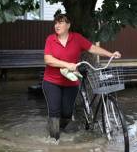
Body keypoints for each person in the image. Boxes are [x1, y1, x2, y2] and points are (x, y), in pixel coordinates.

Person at [42, 10, 121, 140]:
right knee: (55, 111)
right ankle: (54, 140)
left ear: (68, 25)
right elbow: (48, 60)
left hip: (71, 82)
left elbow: (92, 48)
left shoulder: (77, 38)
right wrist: (67, 64)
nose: (57, 25)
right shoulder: (51, 39)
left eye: (60, 22)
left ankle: (60, 130)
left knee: (67, 112)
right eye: (56, 23)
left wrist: (110, 54)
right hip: (51, 82)